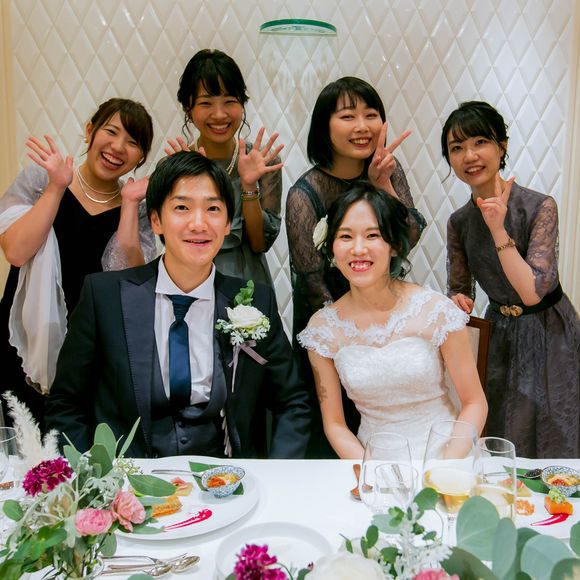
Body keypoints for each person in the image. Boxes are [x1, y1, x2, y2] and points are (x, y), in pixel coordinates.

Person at [45, 151, 311, 459]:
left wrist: (275, 476)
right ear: (156, 220)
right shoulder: (104, 296)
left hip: (228, 476)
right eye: (182, 207)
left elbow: (293, 402)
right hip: (131, 479)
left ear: (227, 223)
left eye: (213, 208)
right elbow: (66, 404)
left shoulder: (256, 301)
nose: (198, 224)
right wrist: (91, 477)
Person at [286, 77, 426, 456]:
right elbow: (312, 282)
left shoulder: (388, 170)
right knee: (333, 433)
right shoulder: (304, 193)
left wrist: (383, 185)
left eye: (371, 115)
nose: (362, 126)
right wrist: (353, 337)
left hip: (384, 314)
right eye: (348, 116)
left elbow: (409, 235)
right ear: (324, 126)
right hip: (330, 322)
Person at [297, 183, 487, 459]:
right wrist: (369, 471)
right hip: (373, 464)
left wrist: (444, 470)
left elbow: (474, 402)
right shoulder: (323, 330)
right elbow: (335, 425)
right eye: (346, 236)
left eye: (372, 235)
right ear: (332, 249)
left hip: (449, 457)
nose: (358, 249)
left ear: (395, 245)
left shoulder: (435, 310)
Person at [0, 98, 156, 429]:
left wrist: (129, 204)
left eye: (133, 142)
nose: (118, 147)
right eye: (111, 132)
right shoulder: (41, 180)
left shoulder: (139, 210)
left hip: (92, 357)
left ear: (141, 157)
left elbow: (131, 283)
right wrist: (56, 188)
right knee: (25, 450)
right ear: (90, 130)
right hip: (25, 346)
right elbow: (16, 251)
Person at [442, 100, 580, 459]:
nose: (470, 155)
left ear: (501, 146)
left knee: (555, 432)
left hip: (549, 331)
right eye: (457, 148)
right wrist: (458, 300)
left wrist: (497, 228)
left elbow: (532, 292)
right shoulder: (459, 221)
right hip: (499, 334)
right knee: (503, 435)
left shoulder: (539, 206)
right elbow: (460, 288)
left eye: (480, 142)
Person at [165, 48, 283, 286]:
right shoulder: (174, 165)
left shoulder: (262, 161)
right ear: (188, 108)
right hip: (188, 280)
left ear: (242, 104)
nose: (219, 114)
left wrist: (248, 185)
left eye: (229, 101)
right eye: (206, 103)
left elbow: (259, 243)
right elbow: (168, 238)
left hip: (248, 282)